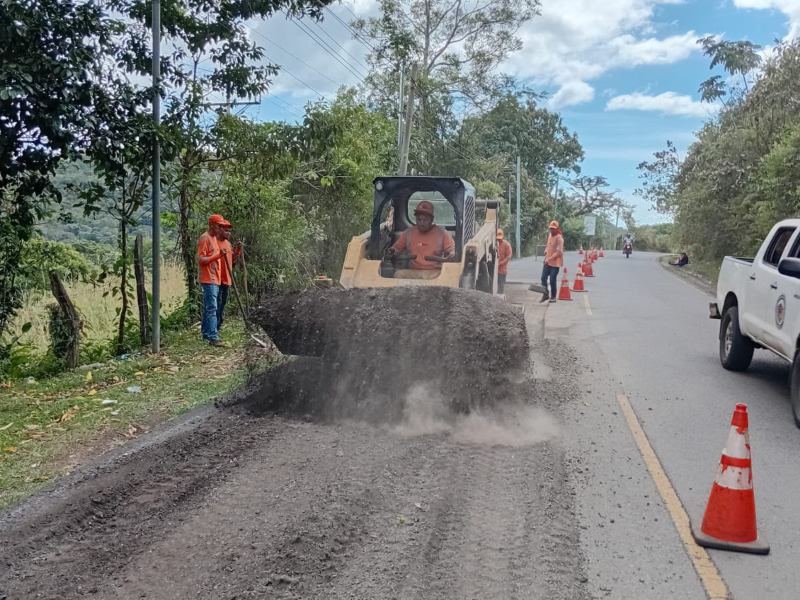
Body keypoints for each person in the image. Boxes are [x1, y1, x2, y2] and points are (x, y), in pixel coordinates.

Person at [388, 200, 455, 276]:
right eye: (419, 219)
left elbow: (452, 250)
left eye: (425, 220)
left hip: (434, 273)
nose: (421, 223)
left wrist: (452, 254)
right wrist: (392, 251)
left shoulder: (442, 233)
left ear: (431, 219)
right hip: (413, 272)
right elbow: (396, 247)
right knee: (398, 274)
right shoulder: (409, 233)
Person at [197, 214, 228, 346]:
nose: (220, 228)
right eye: (218, 225)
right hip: (208, 278)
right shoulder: (205, 238)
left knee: (209, 308)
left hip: (215, 278)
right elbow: (201, 260)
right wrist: (218, 256)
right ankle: (213, 337)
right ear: (211, 225)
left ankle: (206, 334)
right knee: (212, 308)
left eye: (221, 226)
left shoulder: (214, 239)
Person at [216, 221, 242, 330]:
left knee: (223, 302)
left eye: (228, 230)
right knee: (217, 302)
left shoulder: (228, 243)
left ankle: (219, 323)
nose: (228, 232)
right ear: (219, 229)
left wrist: (238, 250)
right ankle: (215, 326)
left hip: (226, 278)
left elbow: (233, 260)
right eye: (225, 229)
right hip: (216, 279)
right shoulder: (214, 242)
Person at [539, 220, 564, 303]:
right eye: (551, 228)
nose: (552, 230)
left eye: (553, 229)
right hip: (547, 261)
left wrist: (549, 259)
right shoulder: (550, 235)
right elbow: (548, 245)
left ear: (557, 229)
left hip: (555, 263)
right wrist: (546, 251)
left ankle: (553, 296)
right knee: (543, 278)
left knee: (552, 279)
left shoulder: (559, 238)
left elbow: (559, 252)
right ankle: (545, 294)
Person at [496, 228, 513, 294]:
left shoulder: (506, 244)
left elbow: (509, 256)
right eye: (497, 238)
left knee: (501, 285)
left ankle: (500, 298)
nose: (499, 240)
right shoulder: (494, 244)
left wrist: (501, 263)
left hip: (502, 269)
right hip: (494, 269)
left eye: (500, 238)